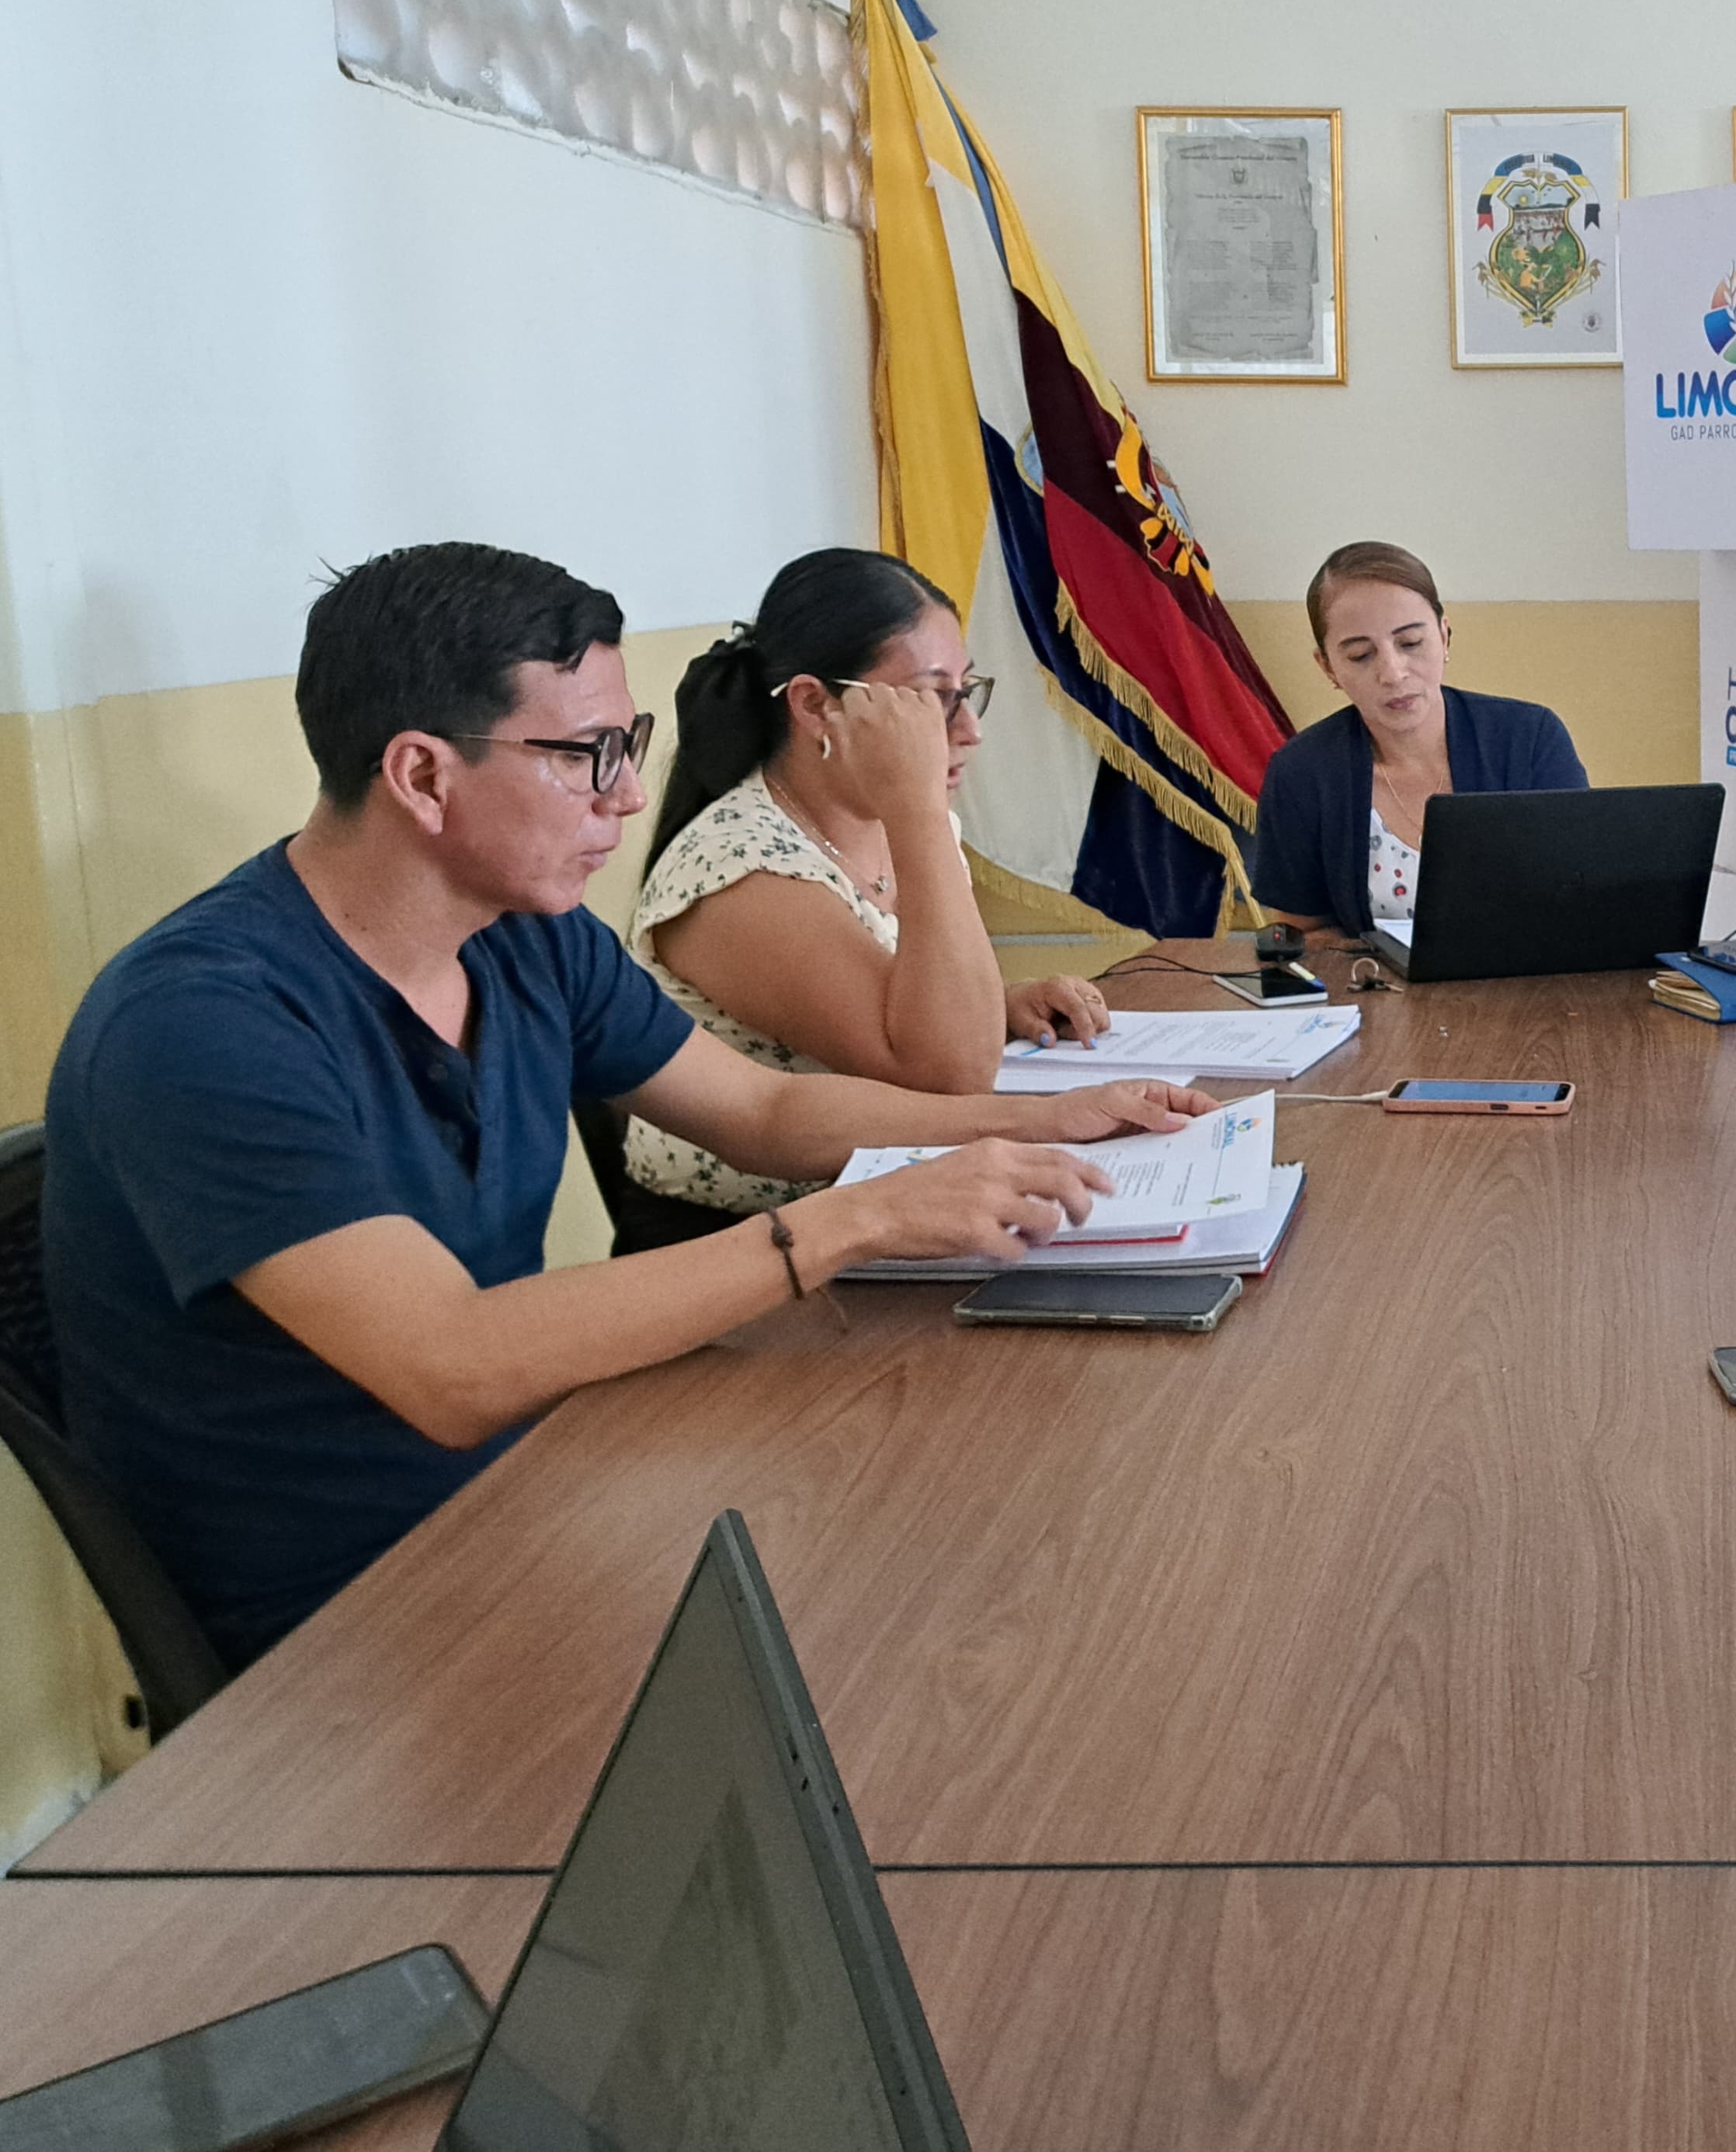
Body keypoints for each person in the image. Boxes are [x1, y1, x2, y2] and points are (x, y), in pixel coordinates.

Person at [43, 543, 1215, 1668]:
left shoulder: (525, 937)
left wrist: (1037, 1120)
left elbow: (760, 1109)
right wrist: (854, 1220)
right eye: (588, 754)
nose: (631, 793)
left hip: (538, 1483)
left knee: (961, 1558)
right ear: (422, 775)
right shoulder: (202, 1022)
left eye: (631, 742)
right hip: (345, 1612)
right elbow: (451, 1365)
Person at [620, 548, 1113, 1242]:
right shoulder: (740, 869)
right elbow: (949, 1079)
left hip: (881, 1213)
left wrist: (1000, 1005)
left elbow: (903, 1012)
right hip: (742, 1245)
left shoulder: (893, 822)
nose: (968, 729)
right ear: (815, 704)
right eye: (932, 698)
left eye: (966, 691)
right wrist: (918, 807)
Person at [1249, 542, 1587, 939]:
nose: (1393, 674)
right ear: (1328, 668)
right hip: (1369, 980)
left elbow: (1579, 897)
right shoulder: (1302, 773)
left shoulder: (1530, 739)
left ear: (1444, 637)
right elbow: (1298, 937)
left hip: (1529, 977)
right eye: (1360, 655)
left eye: (1410, 643)